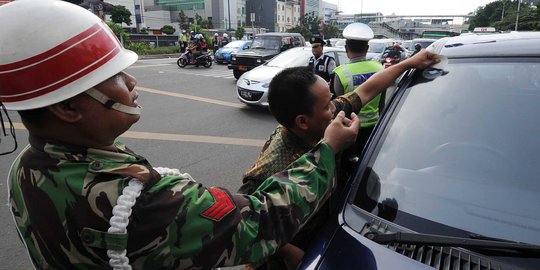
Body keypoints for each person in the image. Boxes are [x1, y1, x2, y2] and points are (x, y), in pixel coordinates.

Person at [0, 1, 361, 269]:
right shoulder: (141, 202)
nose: (132, 83)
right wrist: (328, 148)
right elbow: (259, 220)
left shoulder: (26, 166)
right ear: (67, 109)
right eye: (115, 77)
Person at [239, 50, 440, 269]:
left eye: (332, 99)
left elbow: (366, 90)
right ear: (303, 122)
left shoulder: (325, 116)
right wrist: (287, 250)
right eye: (327, 106)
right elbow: (244, 223)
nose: (335, 107)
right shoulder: (274, 164)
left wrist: (409, 63)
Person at [333, 22, 385, 156]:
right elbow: (382, 103)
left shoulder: (340, 73)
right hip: (374, 128)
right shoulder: (380, 68)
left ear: (346, 48)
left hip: (349, 130)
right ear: (367, 48)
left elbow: (338, 109)